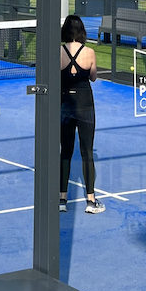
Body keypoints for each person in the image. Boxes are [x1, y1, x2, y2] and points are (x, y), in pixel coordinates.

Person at [59, 15, 105, 214]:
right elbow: (93, 77)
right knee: (87, 153)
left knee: (65, 152)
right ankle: (91, 201)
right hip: (85, 106)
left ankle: (62, 200)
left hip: (65, 105)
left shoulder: (58, 52)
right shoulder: (90, 52)